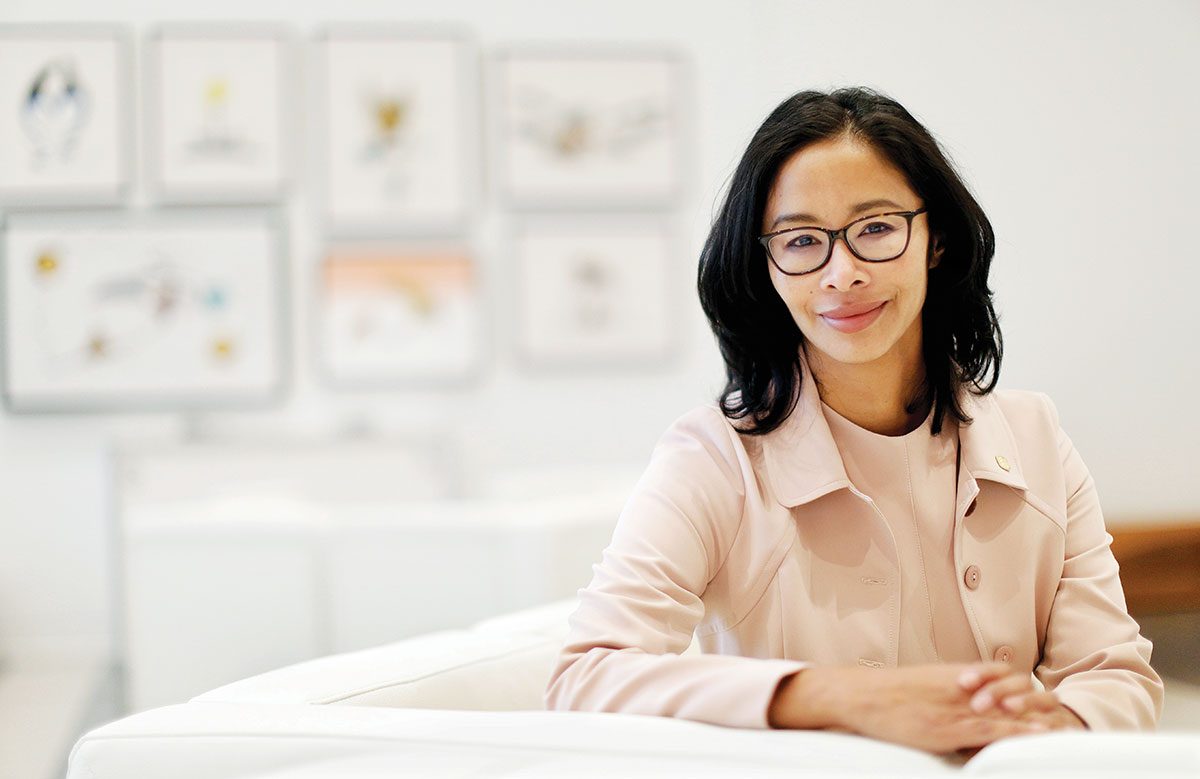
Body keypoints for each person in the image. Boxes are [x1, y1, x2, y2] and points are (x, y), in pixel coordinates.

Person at [543, 87, 1163, 755]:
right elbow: (583, 676)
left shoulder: (1036, 438)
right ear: (767, 267)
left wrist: (1054, 729)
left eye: (875, 228)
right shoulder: (713, 457)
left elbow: (1112, 673)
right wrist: (833, 697)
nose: (842, 273)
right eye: (802, 240)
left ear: (936, 241)